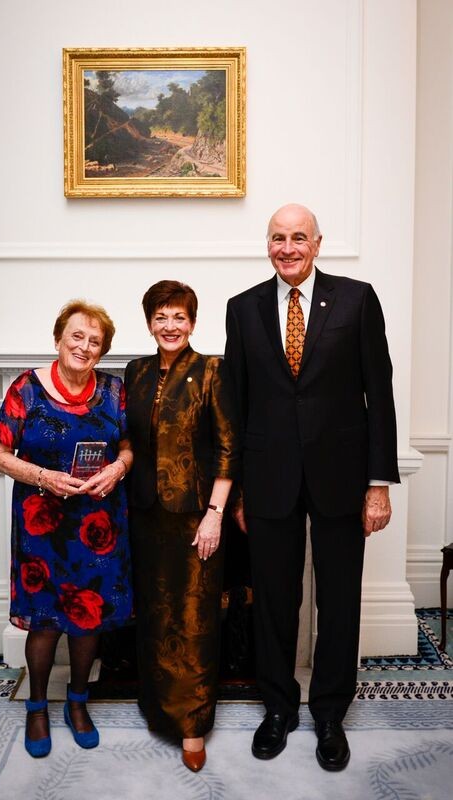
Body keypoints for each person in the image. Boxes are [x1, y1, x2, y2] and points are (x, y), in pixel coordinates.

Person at [224, 204, 399, 771]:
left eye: (299, 237)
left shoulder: (356, 299)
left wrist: (378, 484)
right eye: (278, 238)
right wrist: (242, 490)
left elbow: (380, 393)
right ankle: (277, 708)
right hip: (270, 480)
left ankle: (328, 713)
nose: (288, 247)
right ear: (267, 245)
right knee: (273, 601)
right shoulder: (242, 308)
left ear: (318, 243)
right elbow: (237, 404)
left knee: (339, 600)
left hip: (343, 479)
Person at [0, 299, 133, 757]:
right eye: (77, 336)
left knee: (88, 618)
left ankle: (77, 702)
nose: (84, 347)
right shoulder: (26, 390)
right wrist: (42, 477)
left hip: (97, 522)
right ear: (58, 339)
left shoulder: (113, 391)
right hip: (42, 523)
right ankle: (36, 707)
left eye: (94, 341)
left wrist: (119, 469)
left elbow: (129, 447)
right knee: (46, 621)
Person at [124, 280, 239, 772]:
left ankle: (192, 725)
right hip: (144, 514)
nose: (170, 326)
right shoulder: (135, 371)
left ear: (193, 323)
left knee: (194, 620)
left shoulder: (212, 370)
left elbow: (229, 447)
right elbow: (125, 439)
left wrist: (215, 514)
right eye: (161, 317)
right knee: (153, 614)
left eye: (180, 317)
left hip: (196, 515)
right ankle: (156, 707)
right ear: (149, 322)